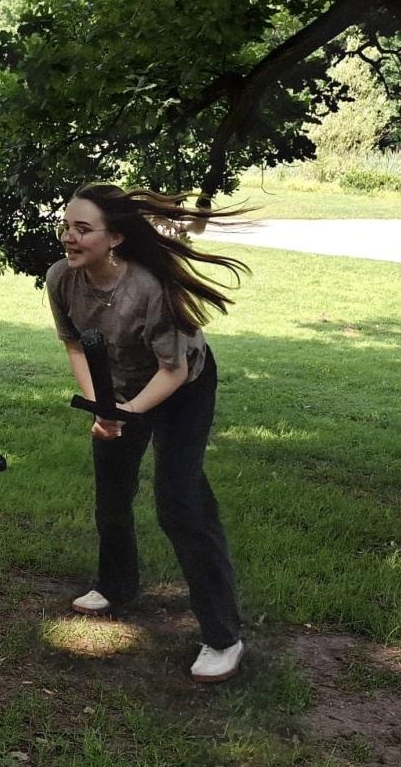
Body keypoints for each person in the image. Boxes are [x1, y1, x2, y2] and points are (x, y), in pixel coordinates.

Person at [46, 184, 250, 683]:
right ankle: (116, 585)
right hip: (118, 384)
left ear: (114, 237)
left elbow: (173, 370)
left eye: (82, 229)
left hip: (181, 388)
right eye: (66, 226)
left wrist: (128, 411)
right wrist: (103, 408)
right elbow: (76, 346)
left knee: (180, 503)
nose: (69, 237)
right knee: (112, 493)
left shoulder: (149, 289)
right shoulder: (61, 279)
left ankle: (223, 637)